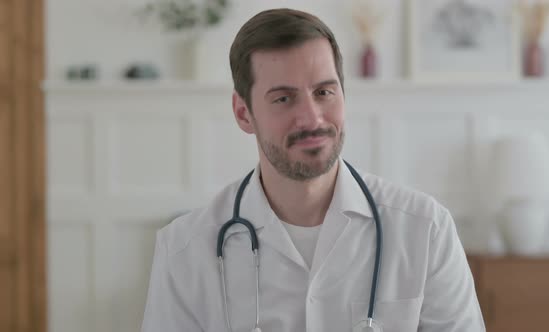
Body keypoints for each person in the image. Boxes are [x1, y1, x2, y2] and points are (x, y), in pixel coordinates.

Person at [141, 8, 485, 332]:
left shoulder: (426, 230)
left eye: (324, 92)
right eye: (283, 98)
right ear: (243, 113)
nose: (312, 118)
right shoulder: (184, 251)